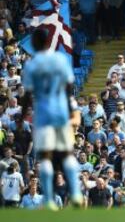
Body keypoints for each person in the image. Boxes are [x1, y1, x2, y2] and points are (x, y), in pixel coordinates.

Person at [21, 29, 82, 210]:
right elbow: (70, 86)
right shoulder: (60, 59)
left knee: (46, 157)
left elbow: (27, 94)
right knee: (67, 154)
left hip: (42, 115)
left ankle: (48, 199)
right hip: (61, 112)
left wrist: (22, 117)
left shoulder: (32, 65)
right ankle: (77, 193)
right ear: (48, 41)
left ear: (34, 43)